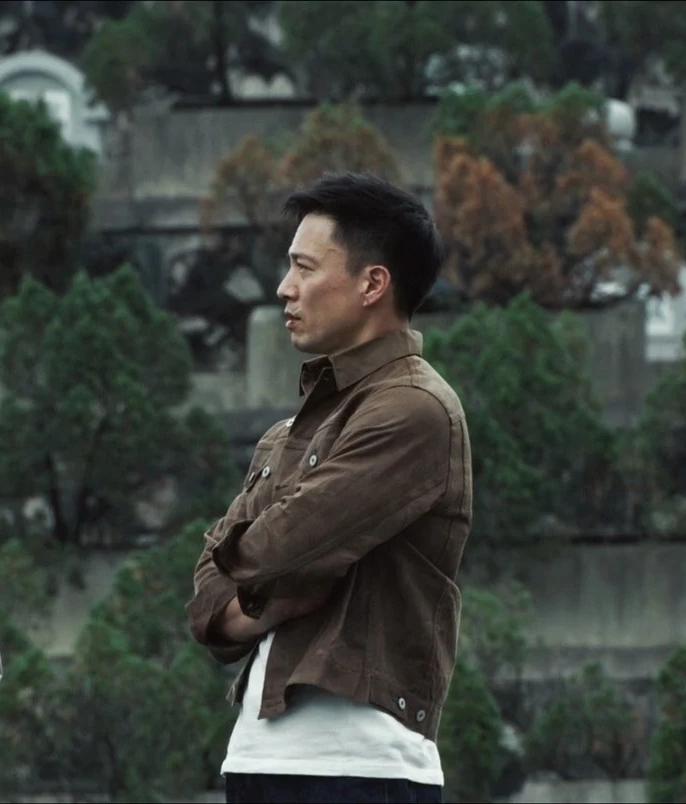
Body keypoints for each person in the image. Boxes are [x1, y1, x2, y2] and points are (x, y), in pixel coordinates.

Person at [187, 172, 473, 804]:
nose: (284, 288)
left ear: (372, 284)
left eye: (304, 267)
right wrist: (261, 607)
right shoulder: (283, 436)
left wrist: (246, 573)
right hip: (255, 756)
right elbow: (206, 599)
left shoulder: (415, 409)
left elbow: (284, 545)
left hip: (362, 764)